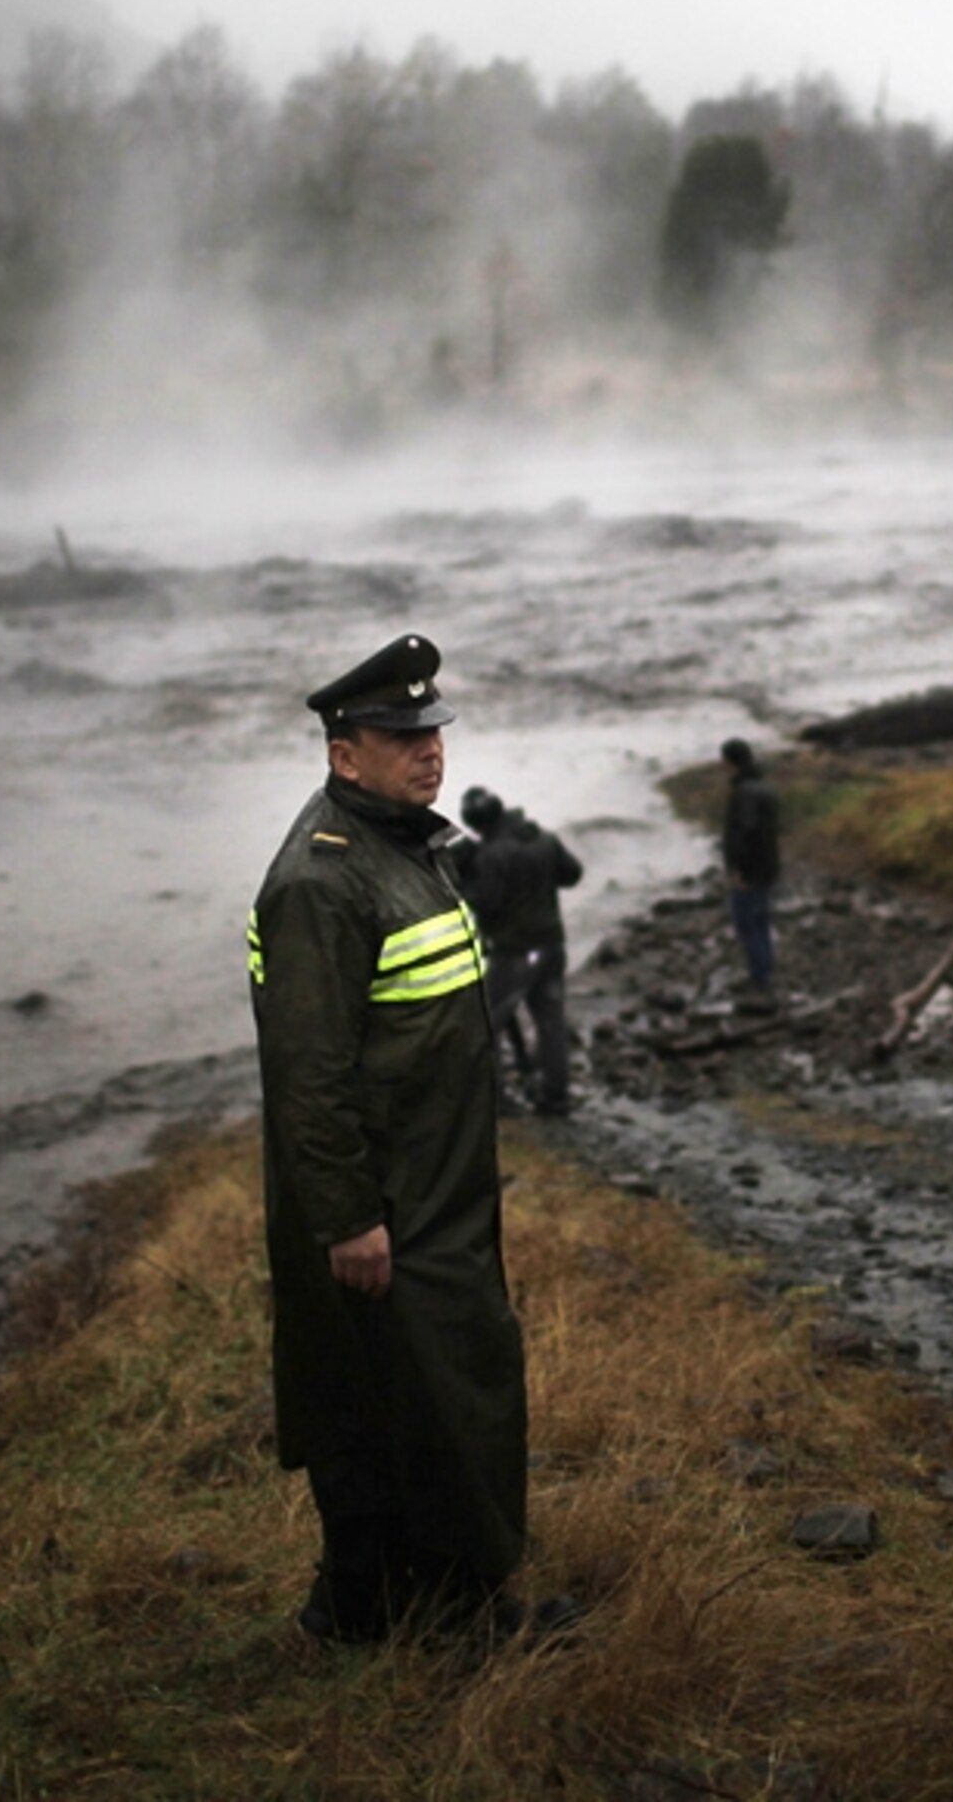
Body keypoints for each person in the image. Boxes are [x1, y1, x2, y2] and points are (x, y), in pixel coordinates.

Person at [247, 632, 531, 1643]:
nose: (428, 751)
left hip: (440, 1185)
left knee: (398, 1400)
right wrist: (349, 1216)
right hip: (394, 1202)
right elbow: (308, 1074)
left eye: (431, 730)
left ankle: (363, 1605)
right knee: (438, 1403)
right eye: (398, 735)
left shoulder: (405, 845)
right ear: (342, 752)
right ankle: (463, 1614)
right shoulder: (323, 882)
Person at [458, 786, 583, 1117]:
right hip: (551, 946)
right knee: (550, 1023)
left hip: (514, 954)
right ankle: (556, 1098)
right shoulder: (542, 837)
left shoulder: (491, 855)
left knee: (487, 1023)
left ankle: (498, 1102)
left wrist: (463, 879)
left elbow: (487, 903)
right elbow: (573, 875)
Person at [718, 737, 782, 999]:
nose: (720, 764)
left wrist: (739, 870)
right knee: (761, 921)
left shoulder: (744, 792)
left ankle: (760, 979)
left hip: (751, 869)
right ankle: (763, 972)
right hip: (768, 865)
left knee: (747, 923)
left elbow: (745, 833)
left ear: (730, 761)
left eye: (723, 759)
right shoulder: (765, 786)